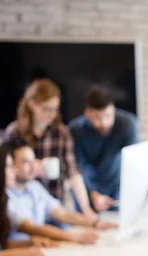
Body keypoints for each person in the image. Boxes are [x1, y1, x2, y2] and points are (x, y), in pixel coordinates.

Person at [5, 78, 97, 222]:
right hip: (24, 208)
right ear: (32, 105)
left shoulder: (61, 133)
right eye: (46, 109)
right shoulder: (14, 132)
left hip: (55, 206)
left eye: (55, 109)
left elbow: (73, 171)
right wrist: (30, 170)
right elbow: (6, 172)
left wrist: (86, 209)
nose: (52, 115)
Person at [68, 85, 138, 212]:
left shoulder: (127, 124)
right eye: (98, 118)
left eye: (108, 116)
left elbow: (133, 163)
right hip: (86, 190)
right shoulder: (75, 130)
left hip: (117, 188)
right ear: (87, 113)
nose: (104, 123)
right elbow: (78, 168)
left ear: (113, 109)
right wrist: (93, 195)